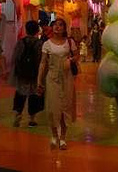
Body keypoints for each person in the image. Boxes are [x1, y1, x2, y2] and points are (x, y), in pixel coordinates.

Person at [37, 18, 79, 150]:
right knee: (52, 108)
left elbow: (76, 56)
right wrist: (39, 80)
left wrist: (70, 60)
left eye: (60, 25)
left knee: (65, 108)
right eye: (55, 25)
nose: (57, 27)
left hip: (67, 78)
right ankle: (54, 135)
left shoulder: (69, 42)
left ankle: (63, 138)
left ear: (64, 28)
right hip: (52, 79)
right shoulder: (47, 44)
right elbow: (43, 63)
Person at [11, 20, 44, 128]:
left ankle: (18, 114)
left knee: (20, 93)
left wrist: (16, 70)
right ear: (37, 30)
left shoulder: (21, 42)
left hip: (22, 73)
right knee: (34, 95)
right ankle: (32, 119)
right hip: (35, 74)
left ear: (26, 30)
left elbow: (16, 57)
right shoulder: (39, 43)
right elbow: (41, 59)